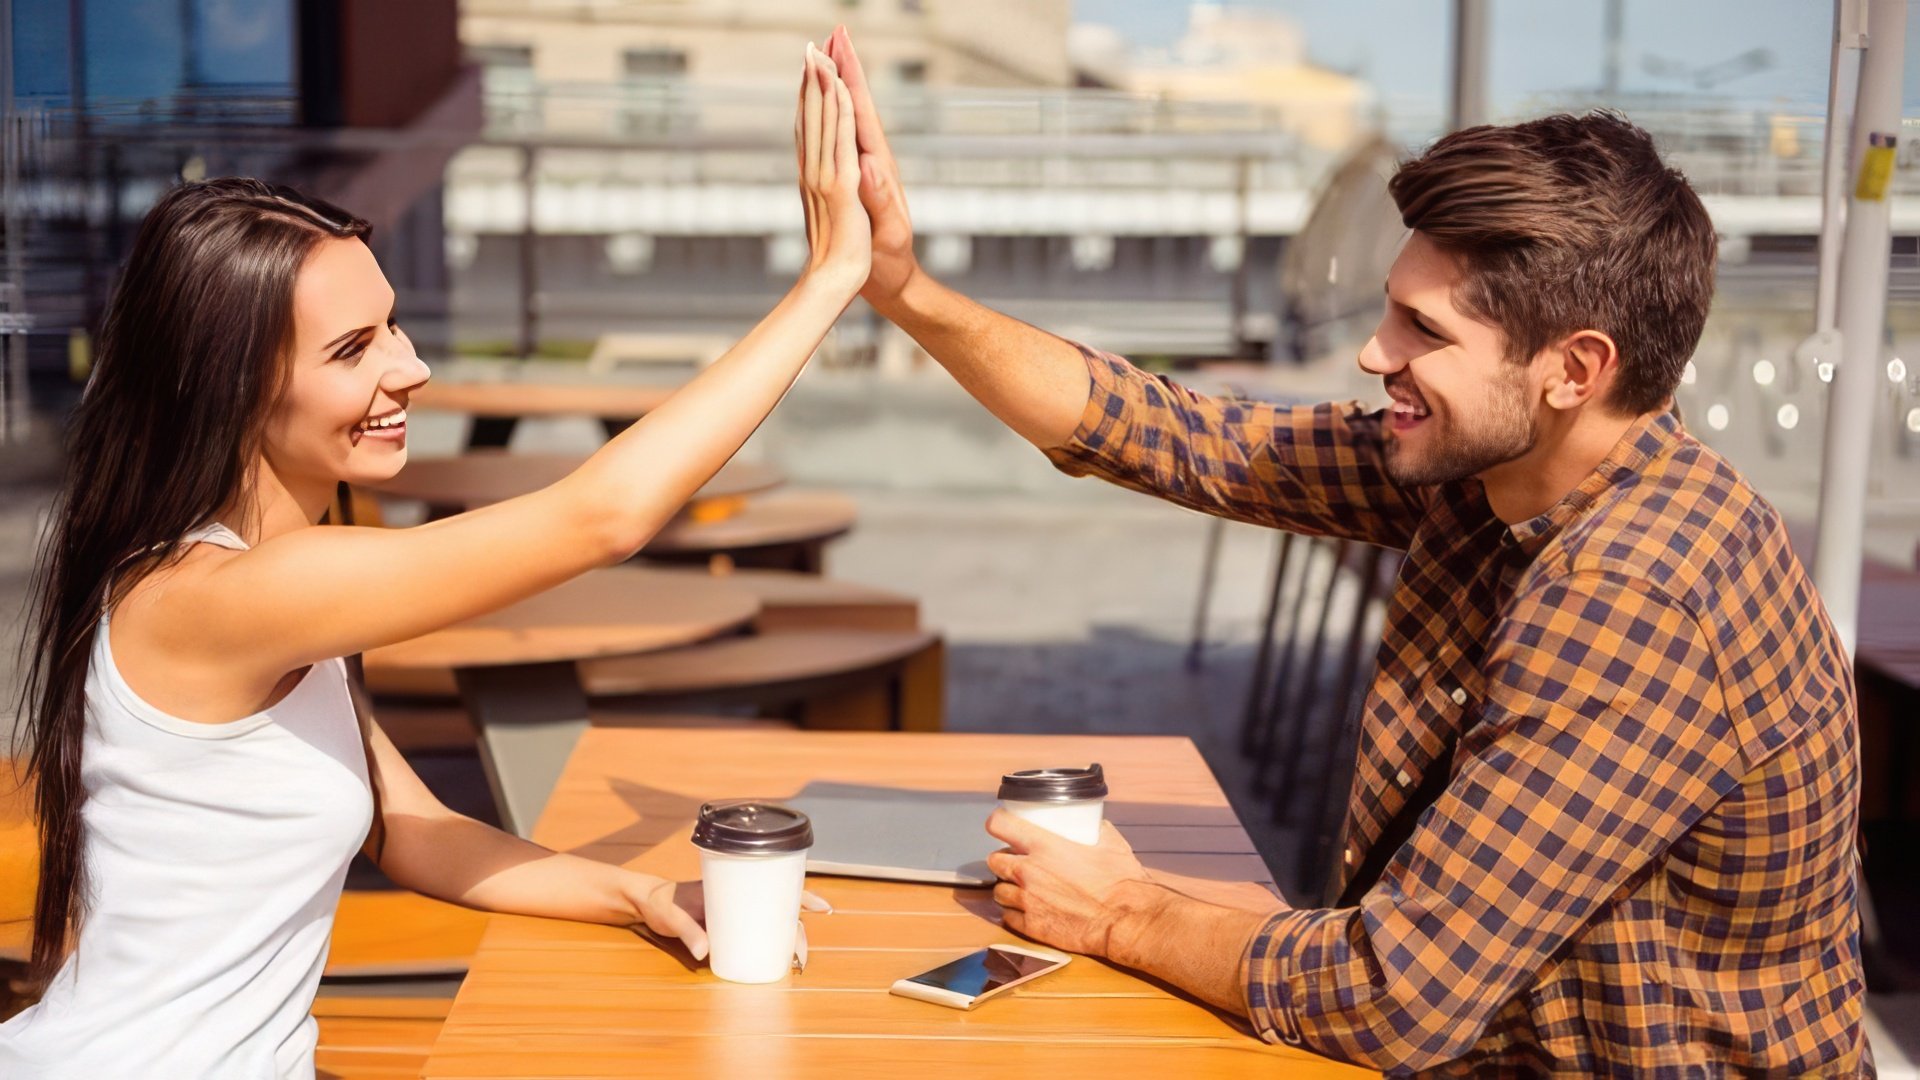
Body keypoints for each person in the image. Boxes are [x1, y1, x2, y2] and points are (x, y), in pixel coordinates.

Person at [820, 26, 1871, 1078]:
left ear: (1573, 369)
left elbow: (1393, 994)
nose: (1376, 354)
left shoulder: (1635, 594)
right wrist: (905, 291)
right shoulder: (1495, 475)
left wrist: (1122, 915)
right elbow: (1180, 439)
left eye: (1423, 330)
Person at [1, 45, 863, 1078]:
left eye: (394, 323)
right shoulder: (217, 596)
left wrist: (636, 892)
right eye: (350, 349)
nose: (409, 367)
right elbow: (602, 519)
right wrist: (830, 280)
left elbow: (413, 831)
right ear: (229, 388)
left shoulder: (283, 588)